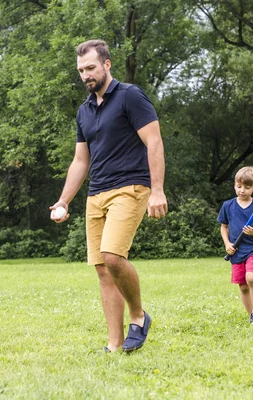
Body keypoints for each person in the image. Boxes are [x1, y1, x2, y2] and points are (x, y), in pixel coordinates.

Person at [50, 39, 167, 353]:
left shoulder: (130, 96)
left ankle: (139, 317)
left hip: (131, 187)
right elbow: (80, 161)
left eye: (90, 67)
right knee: (102, 268)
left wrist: (157, 189)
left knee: (114, 257)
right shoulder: (84, 111)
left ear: (107, 64)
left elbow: (154, 142)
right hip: (96, 194)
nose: (86, 75)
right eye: (81, 70)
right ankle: (114, 345)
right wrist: (64, 199)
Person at [218, 166, 253, 326]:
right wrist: (227, 244)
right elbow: (223, 227)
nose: (242, 190)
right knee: (242, 285)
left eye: (247, 187)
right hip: (236, 250)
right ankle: (252, 316)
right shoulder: (228, 206)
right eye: (239, 186)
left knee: (251, 278)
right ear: (235, 185)